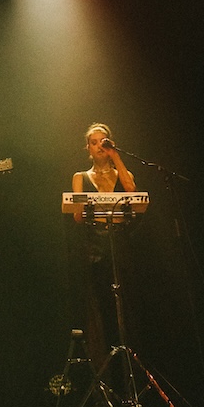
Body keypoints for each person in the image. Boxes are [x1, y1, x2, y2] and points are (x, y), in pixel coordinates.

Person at [68, 122, 137, 376]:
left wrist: (116, 156)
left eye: (104, 141)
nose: (100, 146)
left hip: (119, 241)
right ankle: (106, 372)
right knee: (100, 307)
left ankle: (129, 368)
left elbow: (131, 190)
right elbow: (76, 215)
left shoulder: (120, 173)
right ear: (88, 147)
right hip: (95, 244)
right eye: (95, 142)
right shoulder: (80, 177)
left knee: (124, 305)